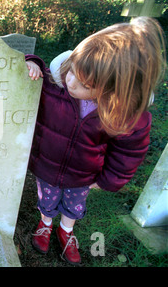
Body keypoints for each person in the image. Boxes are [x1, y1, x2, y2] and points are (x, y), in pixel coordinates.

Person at [24, 17, 166, 265]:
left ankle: (66, 231)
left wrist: (107, 180)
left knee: (73, 205)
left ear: (111, 91)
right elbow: (38, 72)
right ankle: (45, 225)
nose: (71, 83)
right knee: (47, 199)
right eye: (73, 72)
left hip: (83, 175)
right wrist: (32, 63)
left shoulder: (121, 115)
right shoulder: (58, 82)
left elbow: (128, 153)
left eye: (84, 84)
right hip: (48, 164)